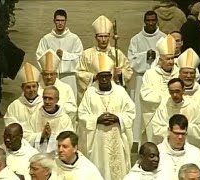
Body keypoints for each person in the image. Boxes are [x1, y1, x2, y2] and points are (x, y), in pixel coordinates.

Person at [77, 53, 135, 180]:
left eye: (106, 76)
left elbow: (131, 112)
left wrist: (118, 118)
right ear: (96, 77)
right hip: (98, 140)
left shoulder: (120, 91)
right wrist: (97, 119)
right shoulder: (90, 92)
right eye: (101, 77)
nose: (104, 80)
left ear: (111, 76)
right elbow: (82, 114)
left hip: (117, 139)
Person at [127, 10, 165, 144]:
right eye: (148, 20)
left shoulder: (163, 38)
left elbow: (167, 58)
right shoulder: (136, 39)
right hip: (140, 79)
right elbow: (131, 60)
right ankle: (137, 138)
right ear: (144, 21)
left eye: (153, 20)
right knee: (139, 108)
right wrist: (145, 56)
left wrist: (155, 55)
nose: (150, 23)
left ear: (156, 21)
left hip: (158, 78)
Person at [76, 15, 133, 104]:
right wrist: (94, 77)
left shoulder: (117, 53)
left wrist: (121, 73)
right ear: (96, 37)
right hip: (94, 94)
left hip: (113, 95)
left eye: (106, 36)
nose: (103, 40)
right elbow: (79, 73)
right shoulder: (87, 54)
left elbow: (129, 71)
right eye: (100, 36)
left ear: (109, 37)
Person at [151, 78, 200, 159]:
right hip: (169, 152)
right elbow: (156, 129)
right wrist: (173, 133)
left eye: (177, 91)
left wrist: (185, 129)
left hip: (189, 152)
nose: (174, 95)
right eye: (172, 92)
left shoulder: (194, 106)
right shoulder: (163, 107)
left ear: (183, 90)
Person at [36, 9, 83, 100]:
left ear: (66, 21)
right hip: (50, 77)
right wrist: (51, 64)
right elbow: (39, 56)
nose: (60, 23)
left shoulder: (74, 38)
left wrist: (64, 55)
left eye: (62, 20)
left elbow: (80, 57)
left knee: (68, 99)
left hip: (69, 76)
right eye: (58, 20)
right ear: (54, 21)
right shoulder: (46, 39)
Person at [139, 34, 178, 144]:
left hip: (175, 113)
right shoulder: (150, 74)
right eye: (167, 59)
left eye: (172, 58)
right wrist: (164, 97)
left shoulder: (178, 73)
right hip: (155, 117)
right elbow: (144, 95)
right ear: (160, 60)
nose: (170, 62)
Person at [157, 114, 200, 180]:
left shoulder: (195, 153)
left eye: (183, 134)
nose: (180, 137)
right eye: (176, 133)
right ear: (169, 131)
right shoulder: (157, 152)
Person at [4, 62, 43, 145]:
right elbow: (11, 129)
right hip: (21, 145)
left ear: (38, 86)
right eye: (28, 87)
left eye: (34, 86)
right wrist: (33, 137)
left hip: (42, 144)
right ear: (22, 88)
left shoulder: (45, 104)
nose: (32, 90)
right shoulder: (14, 106)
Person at [37, 49, 77, 127]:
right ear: (42, 75)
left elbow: (73, 110)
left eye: (51, 74)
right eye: (46, 74)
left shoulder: (66, 88)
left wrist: (55, 108)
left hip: (61, 126)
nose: (49, 77)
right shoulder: (36, 89)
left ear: (56, 74)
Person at [30, 86, 73, 153]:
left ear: (57, 100)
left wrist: (51, 137)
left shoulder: (64, 119)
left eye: (50, 98)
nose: (47, 101)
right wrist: (41, 136)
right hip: (37, 155)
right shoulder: (35, 116)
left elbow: (69, 141)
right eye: (45, 98)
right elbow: (27, 137)